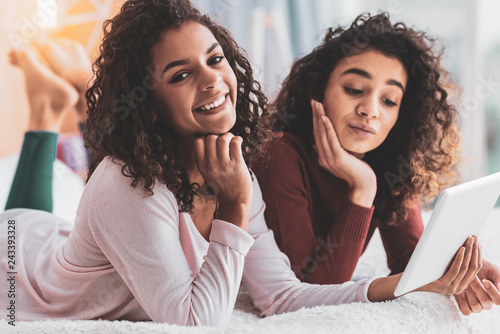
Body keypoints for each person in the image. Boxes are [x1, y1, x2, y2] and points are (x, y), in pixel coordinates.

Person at [0, 1, 489, 326]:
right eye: (181, 74)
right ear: (149, 104)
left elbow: (282, 297)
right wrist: (234, 206)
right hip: (13, 271)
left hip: (47, 238)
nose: (213, 82)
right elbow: (193, 322)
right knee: (18, 226)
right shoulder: (132, 186)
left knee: (40, 222)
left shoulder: (232, 164)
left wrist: (403, 285)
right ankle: (46, 108)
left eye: (215, 60)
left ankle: (47, 106)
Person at [252, 13, 500, 316]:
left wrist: (460, 272)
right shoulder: (278, 154)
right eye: (355, 89)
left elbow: (410, 260)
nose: (370, 110)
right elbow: (312, 293)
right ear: (317, 92)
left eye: (389, 101)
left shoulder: (391, 160)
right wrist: (362, 187)